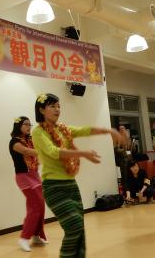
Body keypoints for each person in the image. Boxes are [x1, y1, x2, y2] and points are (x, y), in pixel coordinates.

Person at [31, 93, 126, 258]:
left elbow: (84, 130)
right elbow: (54, 152)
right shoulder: (38, 132)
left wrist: (109, 130)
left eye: (59, 106)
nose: (57, 109)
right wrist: (83, 153)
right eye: (52, 106)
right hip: (53, 188)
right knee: (74, 226)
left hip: (71, 186)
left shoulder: (62, 129)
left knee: (79, 229)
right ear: (41, 110)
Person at [9, 116, 47, 252]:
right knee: (36, 206)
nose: (29, 127)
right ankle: (24, 238)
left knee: (40, 205)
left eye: (30, 124)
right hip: (23, 177)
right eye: (26, 124)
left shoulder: (30, 139)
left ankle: (36, 235)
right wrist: (45, 152)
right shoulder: (14, 142)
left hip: (34, 174)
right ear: (18, 125)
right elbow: (26, 151)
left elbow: (38, 147)